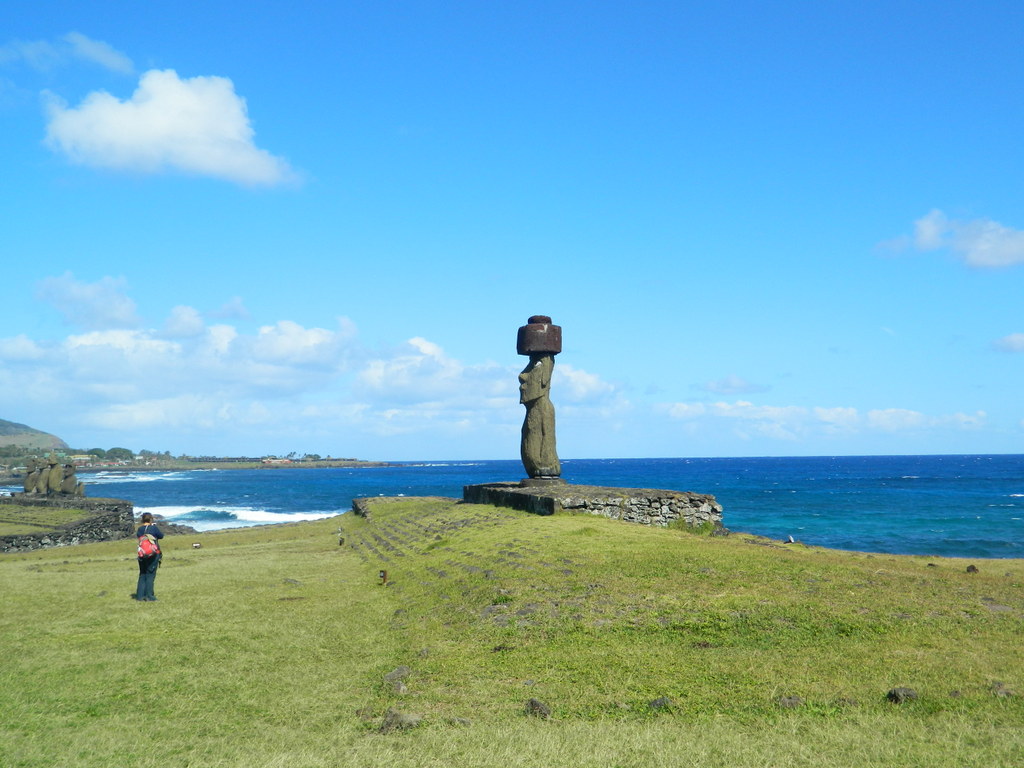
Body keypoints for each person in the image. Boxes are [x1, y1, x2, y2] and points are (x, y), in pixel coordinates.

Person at [134, 512, 164, 602]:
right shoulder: (153, 528)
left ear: (142, 520)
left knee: (142, 574)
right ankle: (149, 596)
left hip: (142, 554)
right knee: (150, 574)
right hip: (153, 554)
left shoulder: (140, 529)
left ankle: (140, 596)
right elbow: (161, 536)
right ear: (151, 519)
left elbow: (139, 537)